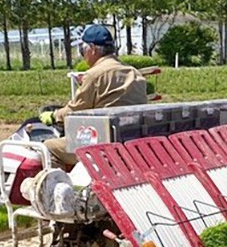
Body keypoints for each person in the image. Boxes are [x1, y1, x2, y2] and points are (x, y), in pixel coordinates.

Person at [38, 25, 147, 169]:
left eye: (82, 50)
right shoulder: (134, 72)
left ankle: (60, 189)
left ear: (92, 49)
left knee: (48, 148)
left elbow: (75, 110)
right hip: (131, 138)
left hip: (104, 142)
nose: (82, 54)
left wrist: (53, 116)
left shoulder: (94, 74)